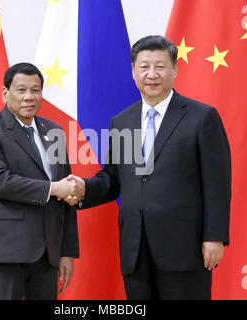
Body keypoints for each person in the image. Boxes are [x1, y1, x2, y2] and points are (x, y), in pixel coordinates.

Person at [67, 35, 231, 299]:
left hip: (184, 249)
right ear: (133, 71)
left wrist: (215, 236)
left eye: (160, 66)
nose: (152, 74)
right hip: (135, 249)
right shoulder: (122, 121)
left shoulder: (202, 117)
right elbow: (114, 179)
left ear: (174, 69)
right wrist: (83, 188)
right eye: (144, 67)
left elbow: (217, 184)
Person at [0, 62, 79, 300]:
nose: (29, 97)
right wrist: (53, 188)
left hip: (48, 254)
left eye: (36, 90)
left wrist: (66, 253)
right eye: (21, 90)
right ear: (5, 93)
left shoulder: (54, 131)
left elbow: (66, 194)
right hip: (7, 251)